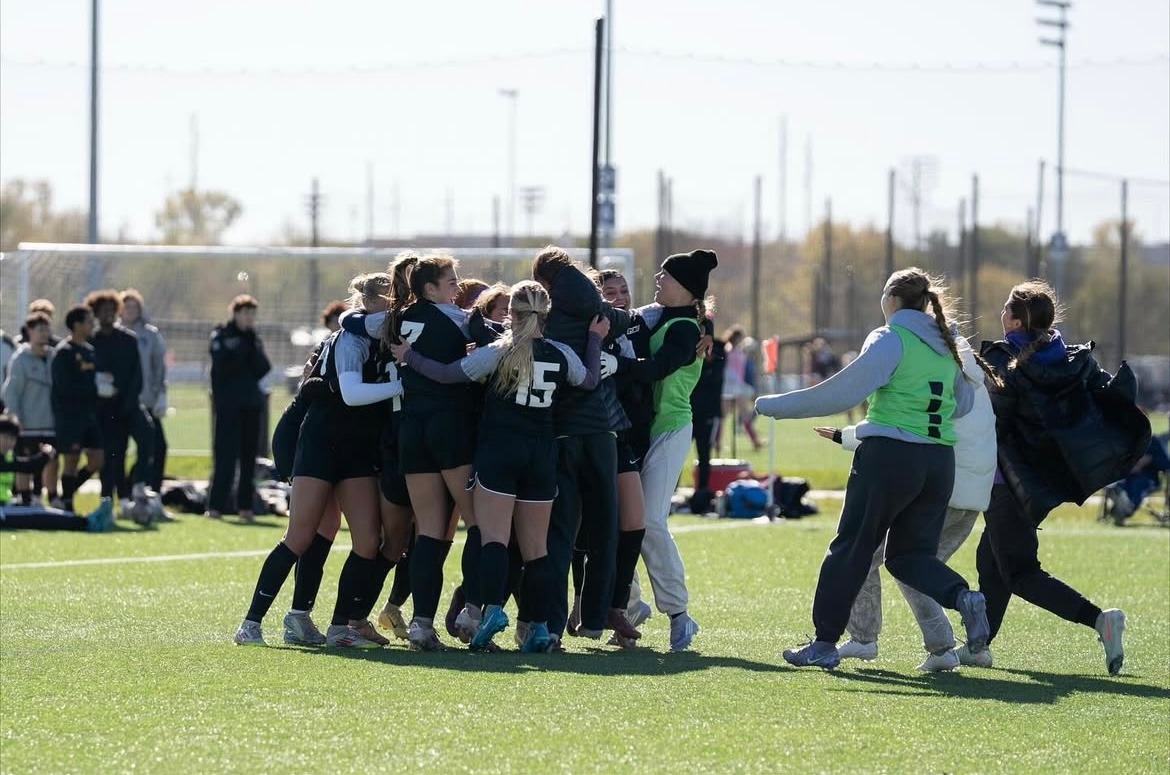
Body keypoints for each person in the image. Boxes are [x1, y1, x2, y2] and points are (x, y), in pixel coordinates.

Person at [755, 268, 990, 669]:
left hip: (890, 458)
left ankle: (824, 643)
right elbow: (964, 404)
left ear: (892, 301)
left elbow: (844, 391)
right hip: (938, 463)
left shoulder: (891, 337)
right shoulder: (946, 344)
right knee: (909, 557)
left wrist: (776, 406)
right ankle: (963, 597)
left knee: (851, 547)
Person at [392, 281, 608, 651]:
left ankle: (490, 610)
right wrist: (594, 340)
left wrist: (409, 356)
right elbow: (588, 380)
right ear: (547, 313)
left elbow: (447, 374)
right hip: (541, 455)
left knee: (493, 538)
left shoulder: (499, 351)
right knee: (537, 549)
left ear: (512, 313)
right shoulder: (558, 352)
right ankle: (539, 627)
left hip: (500, 451)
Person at [234, 273, 404, 648]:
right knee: (301, 536)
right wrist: (401, 386)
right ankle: (251, 623)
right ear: (377, 302)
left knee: (366, 541)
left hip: (357, 450)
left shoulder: (384, 334)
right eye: (394, 300)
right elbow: (352, 392)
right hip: (320, 443)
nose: (399, 307)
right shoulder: (350, 337)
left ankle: (339, 627)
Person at [973, 280, 1128, 675]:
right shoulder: (1073, 360)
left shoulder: (1002, 358)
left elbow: (994, 420)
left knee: (1021, 573)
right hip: (1040, 482)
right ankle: (979, 644)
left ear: (1014, 317)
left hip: (1006, 482)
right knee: (991, 561)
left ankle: (1100, 620)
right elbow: (1112, 396)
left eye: (1005, 310)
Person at [824, 328, 998, 671]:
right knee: (915, 566)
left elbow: (909, 427)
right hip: (973, 492)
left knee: (891, 559)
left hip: (944, 486)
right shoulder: (965, 366)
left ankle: (870, 639)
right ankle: (960, 648)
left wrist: (845, 436)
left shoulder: (930, 362)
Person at [617, 249, 719, 651]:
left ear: (687, 288)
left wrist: (613, 364)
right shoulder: (670, 317)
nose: (658, 278)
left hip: (670, 429)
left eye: (667, 275)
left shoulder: (685, 328)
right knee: (625, 521)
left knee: (650, 521)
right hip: (644, 430)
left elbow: (655, 369)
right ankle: (629, 604)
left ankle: (679, 615)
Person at [208, 294, 271, 522]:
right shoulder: (222, 334)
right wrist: (242, 352)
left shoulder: (253, 338)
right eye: (245, 313)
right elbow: (222, 365)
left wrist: (249, 348)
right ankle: (215, 506)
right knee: (225, 457)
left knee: (248, 458)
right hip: (228, 407)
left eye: (252, 314)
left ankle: (245, 506)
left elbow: (263, 367)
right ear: (235, 313)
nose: (248, 318)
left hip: (251, 406)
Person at [86, 290, 148, 515]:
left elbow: (137, 376)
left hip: (124, 407)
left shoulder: (128, 340)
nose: (109, 315)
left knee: (128, 449)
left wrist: (127, 403)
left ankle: (128, 494)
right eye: (104, 311)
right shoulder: (90, 342)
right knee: (106, 455)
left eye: (112, 310)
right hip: (101, 410)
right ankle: (106, 499)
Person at [0, 414, 114, 531]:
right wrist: (45, 456)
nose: (9, 442)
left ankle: (85, 520)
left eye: (12, 438)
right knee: (37, 513)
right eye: (5, 437)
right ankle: (87, 522)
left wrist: (44, 457)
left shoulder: (8, 456)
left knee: (37, 511)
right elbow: (25, 467)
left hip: (4, 506)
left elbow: (24, 466)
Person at [50, 305, 105, 513]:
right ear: (77, 325)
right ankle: (67, 504)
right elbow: (64, 386)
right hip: (70, 416)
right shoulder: (64, 353)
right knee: (71, 460)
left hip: (89, 416)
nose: (93, 325)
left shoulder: (90, 351)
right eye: (89, 322)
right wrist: (93, 387)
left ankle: (67, 493)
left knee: (97, 460)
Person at [2, 313, 58, 505]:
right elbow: (11, 392)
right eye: (39, 330)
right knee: (24, 461)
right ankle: (24, 498)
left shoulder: (54, 357)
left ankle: (49, 497)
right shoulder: (20, 359)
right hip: (28, 423)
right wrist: (16, 417)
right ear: (29, 332)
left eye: (46, 329)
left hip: (50, 421)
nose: (44, 334)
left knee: (50, 460)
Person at [120, 289, 168, 493]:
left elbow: (159, 367)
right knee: (118, 451)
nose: (130, 310)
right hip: (122, 404)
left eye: (134, 306)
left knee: (158, 448)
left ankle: (152, 491)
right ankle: (123, 493)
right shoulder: (115, 334)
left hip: (146, 401)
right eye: (126, 306)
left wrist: (162, 394)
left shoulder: (150, 334)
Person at [690, 311, 726, 515]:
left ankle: (701, 491)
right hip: (687, 409)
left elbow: (712, 378)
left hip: (707, 412)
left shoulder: (719, 349)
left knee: (704, 454)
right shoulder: (686, 343)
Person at [721, 326, 762, 451]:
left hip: (738, 387)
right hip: (728, 388)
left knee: (745, 415)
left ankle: (755, 441)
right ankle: (716, 443)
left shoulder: (740, 352)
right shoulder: (727, 352)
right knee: (722, 416)